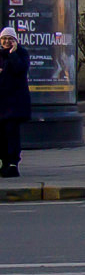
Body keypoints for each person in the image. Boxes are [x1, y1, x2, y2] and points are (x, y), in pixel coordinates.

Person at [0, 27, 30, 178]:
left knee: (11, 133)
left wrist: (13, 55)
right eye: (4, 39)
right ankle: (4, 162)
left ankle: (13, 164)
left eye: (10, 39)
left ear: (15, 41)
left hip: (14, 103)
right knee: (2, 136)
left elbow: (20, 69)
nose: (6, 42)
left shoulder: (21, 54)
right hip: (1, 102)